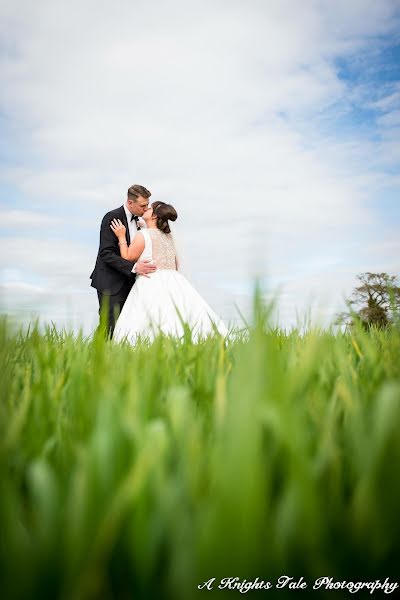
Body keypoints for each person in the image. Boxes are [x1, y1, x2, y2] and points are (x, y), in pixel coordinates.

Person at [110, 201, 228, 343]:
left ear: (154, 216)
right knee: (175, 315)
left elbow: (128, 257)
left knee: (147, 318)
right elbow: (176, 264)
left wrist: (121, 237)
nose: (146, 209)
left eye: (149, 208)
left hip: (150, 280)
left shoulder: (143, 235)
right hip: (174, 279)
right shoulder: (170, 237)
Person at [90, 184, 156, 337]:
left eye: (147, 205)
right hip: (111, 283)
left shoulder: (141, 222)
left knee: (128, 329)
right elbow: (106, 253)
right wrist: (134, 267)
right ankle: (97, 359)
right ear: (130, 202)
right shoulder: (112, 217)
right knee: (109, 327)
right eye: (143, 205)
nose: (146, 209)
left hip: (132, 283)